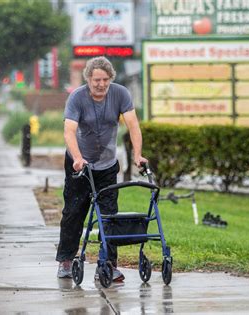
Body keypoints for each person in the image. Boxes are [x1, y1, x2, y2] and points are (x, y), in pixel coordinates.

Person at [56, 56, 148, 281]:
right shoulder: (77, 97)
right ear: (88, 78)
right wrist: (77, 158)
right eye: (96, 79)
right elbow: (69, 131)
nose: (101, 84)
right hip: (80, 163)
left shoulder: (120, 94)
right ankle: (66, 261)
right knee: (74, 212)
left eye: (105, 79)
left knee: (108, 215)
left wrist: (137, 155)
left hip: (107, 165)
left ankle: (107, 264)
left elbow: (133, 125)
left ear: (111, 79)